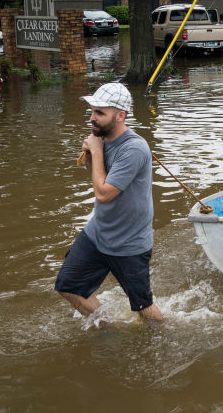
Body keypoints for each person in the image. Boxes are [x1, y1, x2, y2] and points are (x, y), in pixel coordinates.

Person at [54, 82, 162, 322]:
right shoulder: (102, 139)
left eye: (100, 113)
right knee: (67, 285)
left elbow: (103, 194)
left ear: (120, 116)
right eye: (92, 111)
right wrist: (94, 153)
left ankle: (164, 338)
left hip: (130, 243)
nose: (92, 118)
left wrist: (97, 150)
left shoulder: (134, 148)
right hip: (98, 233)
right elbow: (98, 180)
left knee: (144, 309)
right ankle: (110, 326)